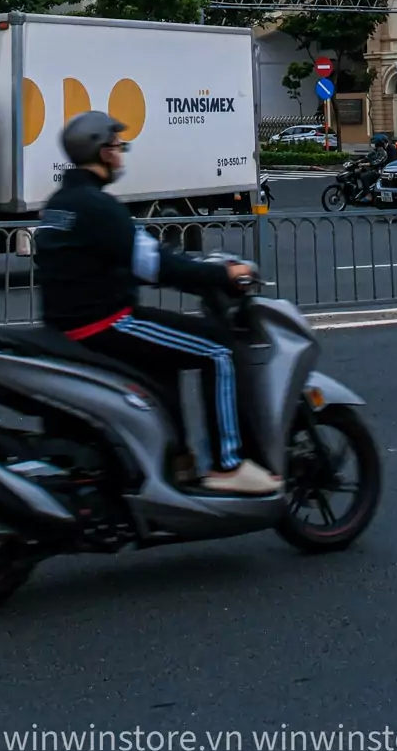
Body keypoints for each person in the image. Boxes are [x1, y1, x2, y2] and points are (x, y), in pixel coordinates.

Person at [34, 112, 281, 497]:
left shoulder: (59, 204)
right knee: (218, 350)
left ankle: (178, 462)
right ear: (102, 152)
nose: (121, 154)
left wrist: (184, 266)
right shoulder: (96, 206)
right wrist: (221, 276)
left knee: (165, 369)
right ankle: (227, 465)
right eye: (117, 146)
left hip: (68, 326)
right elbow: (152, 264)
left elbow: (122, 256)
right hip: (106, 323)